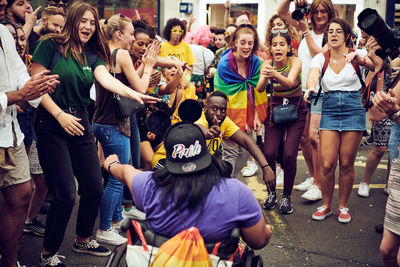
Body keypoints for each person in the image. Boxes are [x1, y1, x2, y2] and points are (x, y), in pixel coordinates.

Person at [29, 2, 159, 266]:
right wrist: (59, 115)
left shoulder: (91, 55)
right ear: (72, 21)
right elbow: (36, 86)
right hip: (52, 124)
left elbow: (105, 78)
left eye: (92, 22)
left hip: (81, 121)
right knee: (65, 194)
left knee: (93, 187)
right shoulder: (49, 45)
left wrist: (133, 93)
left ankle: (83, 238)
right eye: (83, 21)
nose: (88, 27)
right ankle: (48, 254)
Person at [103, 121, 272, 249]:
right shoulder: (237, 193)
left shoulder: (149, 185)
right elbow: (258, 242)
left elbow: (126, 172)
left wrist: (111, 165)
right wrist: (268, 231)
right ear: (205, 154)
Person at [92, 13, 158, 246]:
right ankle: (104, 228)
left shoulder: (107, 53)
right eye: (131, 34)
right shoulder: (121, 53)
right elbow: (139, 89)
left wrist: (143, 72)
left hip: (103, 121)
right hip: (112, 124)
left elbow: (124, 86)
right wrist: (148, 66)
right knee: (117, 178)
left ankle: (118, 218)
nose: (133, 38)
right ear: (119, 34)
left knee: (119, 172)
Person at [305, 18, 375, 223]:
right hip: (330, 107)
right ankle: (326, 205)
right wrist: (310, 88)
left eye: (338, 31)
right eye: (330, 31)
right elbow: (313, 74)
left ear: (346, 35)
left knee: (346, 163)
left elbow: (377, 65)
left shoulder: (357, 54)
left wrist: (361, 60)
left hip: (354, 108)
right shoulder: (321, 57)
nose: (333, 35)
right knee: (326, 164)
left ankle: (343, 206)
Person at [0, 22, 59, 267]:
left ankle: (11, 263)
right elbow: (16, 93)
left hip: (11, 133)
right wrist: (19, 96)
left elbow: (19, 74)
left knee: (22, 195)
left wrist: (36, 86)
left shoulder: (3, 32)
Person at [278, 0, 335, 201]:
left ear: (330, 13)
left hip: (320, 91)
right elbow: (281, 11)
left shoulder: (333, 33)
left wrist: (305, 32)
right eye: (316, 11)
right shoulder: (305, 27)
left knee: (314, 137)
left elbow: (319, 55)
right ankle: (313, 178)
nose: (319, 15)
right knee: (303, 138)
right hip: (300, 90)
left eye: (323, 11)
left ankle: (319, 185)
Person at [256, 31, 305, 214]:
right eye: (275, 44)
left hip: (296, 109)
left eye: (282, 44)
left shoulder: (296, 61)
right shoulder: (267, 63)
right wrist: (266, 75)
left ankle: (286, 196)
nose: (278, 48)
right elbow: (259, 88)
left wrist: (274, 74)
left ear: (288, 48)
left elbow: (290, 82)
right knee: (269, 152)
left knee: (290, 154)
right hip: (275, 110)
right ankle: (271, 193)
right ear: (270, 48)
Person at [214, 24, 268, 177]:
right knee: (230, 152)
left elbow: (259, 91)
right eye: (242, 42)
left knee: (245, 152)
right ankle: (227, 186)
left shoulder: (256, 62)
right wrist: (239, 120)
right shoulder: (224, 64)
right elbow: (222, 95)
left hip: (251, 112)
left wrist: (257, 116)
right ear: (235, 43)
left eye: (250, 43)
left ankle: (228, 181)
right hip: (228, 113)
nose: (246, 47)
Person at [196, 91, 275, 191]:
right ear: (206, 107)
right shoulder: (200, 119)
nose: (219, 114)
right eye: (214, 109)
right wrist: (209, 133)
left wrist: (265, 167)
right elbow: (198, 128)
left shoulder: (224, 121)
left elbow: (247, 142)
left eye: (223, 110)